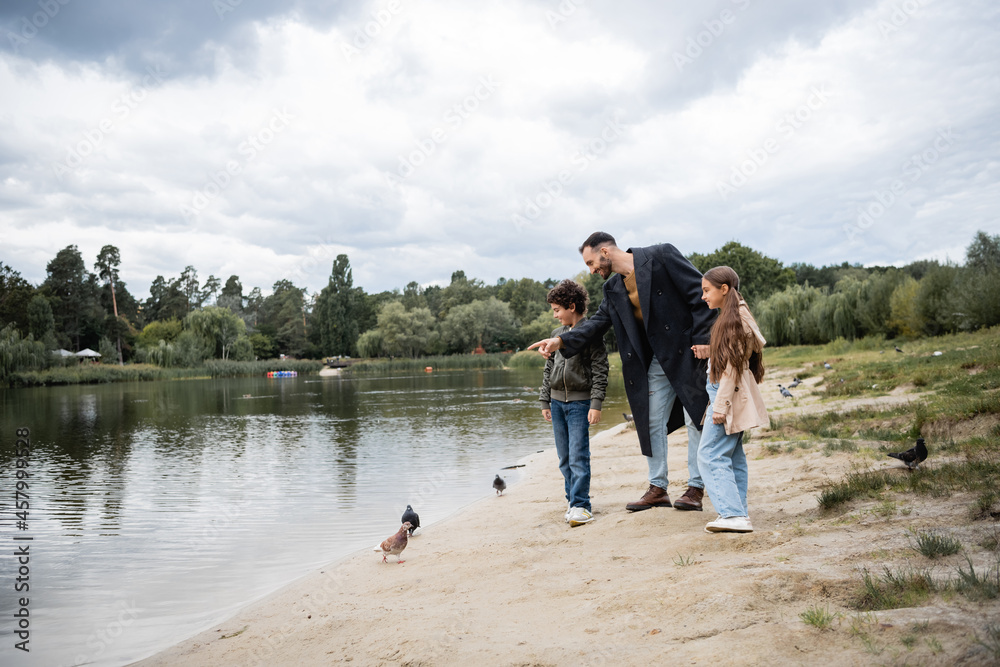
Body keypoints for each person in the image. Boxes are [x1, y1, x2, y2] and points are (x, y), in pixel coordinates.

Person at [529, 232, 714, 513]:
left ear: (605, 251)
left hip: (687, 355)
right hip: (652, 362)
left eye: (591, 262)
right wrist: (561, 341)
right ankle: (658, 488)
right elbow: (596, 324)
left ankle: (696, 488)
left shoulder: (661, 256)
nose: (591, 271)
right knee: (650, 422)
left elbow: (699, 295)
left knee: (693, 420)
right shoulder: (613, 288)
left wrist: (702, 338)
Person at [696, 266, 768, 533]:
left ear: (723, 289)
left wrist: (720, 406)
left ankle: (732, 514)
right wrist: (711, 351)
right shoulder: (736, 314)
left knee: (709, 455)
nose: (703, 296)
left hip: (726, 395)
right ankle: (740, 513)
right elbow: (732, 358)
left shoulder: (734, 320)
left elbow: (732, 369)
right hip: (727, 392)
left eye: (707, 290)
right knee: (733, 456)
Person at [539, 279, 608, 527]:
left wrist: (596, 403)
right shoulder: (557, 336)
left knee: (579, 456)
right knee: (564, 458)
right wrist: (544, 400)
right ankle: (572, 501)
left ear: (571, 305)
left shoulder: (591, 333)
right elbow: (549, 370)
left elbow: (601, 369)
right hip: (557, 404)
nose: (555, 315)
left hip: (580, 405)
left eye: (557, 310)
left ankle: (582, 505)